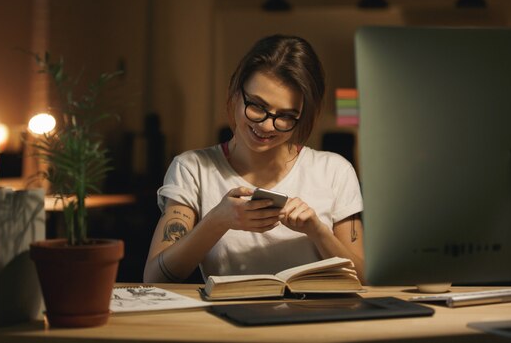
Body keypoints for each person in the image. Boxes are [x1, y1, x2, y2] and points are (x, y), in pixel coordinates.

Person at [143, 34, 365, 283]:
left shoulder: (334, 171)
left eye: (286, 116)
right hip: (227, 320)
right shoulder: (192, 169)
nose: (267, 126)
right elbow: (154, 278)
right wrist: (218, 221)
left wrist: (318, 232)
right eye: (258, 106)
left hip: (314, 318)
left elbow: (364, 280)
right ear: (236, 93)